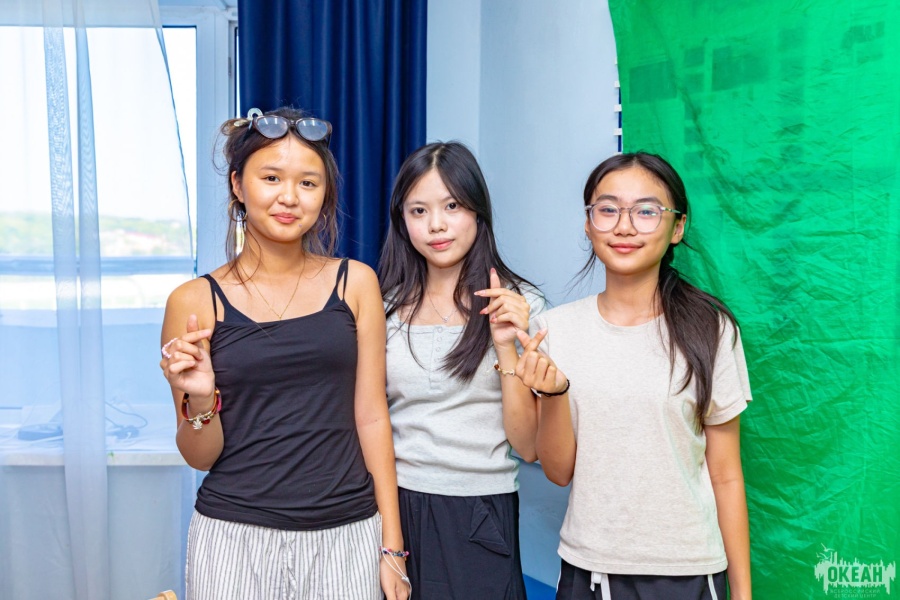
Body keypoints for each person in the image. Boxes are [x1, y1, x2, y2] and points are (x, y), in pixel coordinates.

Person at [158, 106, 409, 600]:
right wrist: (202, 400)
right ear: (238, 184)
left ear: (324, 194)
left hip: (346, 534)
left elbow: (372, 417)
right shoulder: (193, 301)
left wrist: (392, 547)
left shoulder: (356, 282)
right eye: (271, 178)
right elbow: (199, 456)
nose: (289, 197)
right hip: (232, 539)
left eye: (308, 183)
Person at [515, 152, 752, 600]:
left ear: (677, 227)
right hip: (587, 571)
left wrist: (742, 594)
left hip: (687, 573)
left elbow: (726, 475)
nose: (624, 227)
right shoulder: (555, 331)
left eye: (646, 211)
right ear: (589, 225)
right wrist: (553, 394)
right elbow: (558, 472)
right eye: (607, 210)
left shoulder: (711, 329)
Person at [378, 141, 544, 598]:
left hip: (480, 509)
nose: (436, 224)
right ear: (402, 220)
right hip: (393, 506)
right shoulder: (382, 307)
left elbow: (529, 447)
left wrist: (505, 345)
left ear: (477, 210)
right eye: (419, 210)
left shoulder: (522, 305)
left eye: (451, 206)